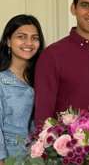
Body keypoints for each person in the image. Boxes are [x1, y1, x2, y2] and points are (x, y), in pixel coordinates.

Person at [0, 14, 45, 164]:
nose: (28, 43)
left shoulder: (41, 78)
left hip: (35, 156)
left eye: (34, 38)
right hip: (9, 157)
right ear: (8, 41)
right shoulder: (1, 81)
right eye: (21, 36)